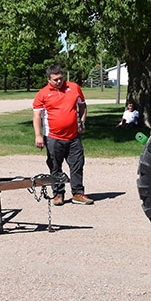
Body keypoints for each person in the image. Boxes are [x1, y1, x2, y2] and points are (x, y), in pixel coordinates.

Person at [32, 65, 94, 206]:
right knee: (55, 166)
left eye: (61, 78)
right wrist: (38, 135)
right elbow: (37, 116)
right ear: (48, 79)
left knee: (77, 164)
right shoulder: (42, 94)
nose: (59, 82)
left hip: (73, 136)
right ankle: (58, 194)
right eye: (55, 80)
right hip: (53, 137)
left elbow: (83, 106)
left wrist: (82, 121)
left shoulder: (74, 88)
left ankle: (78, 193)